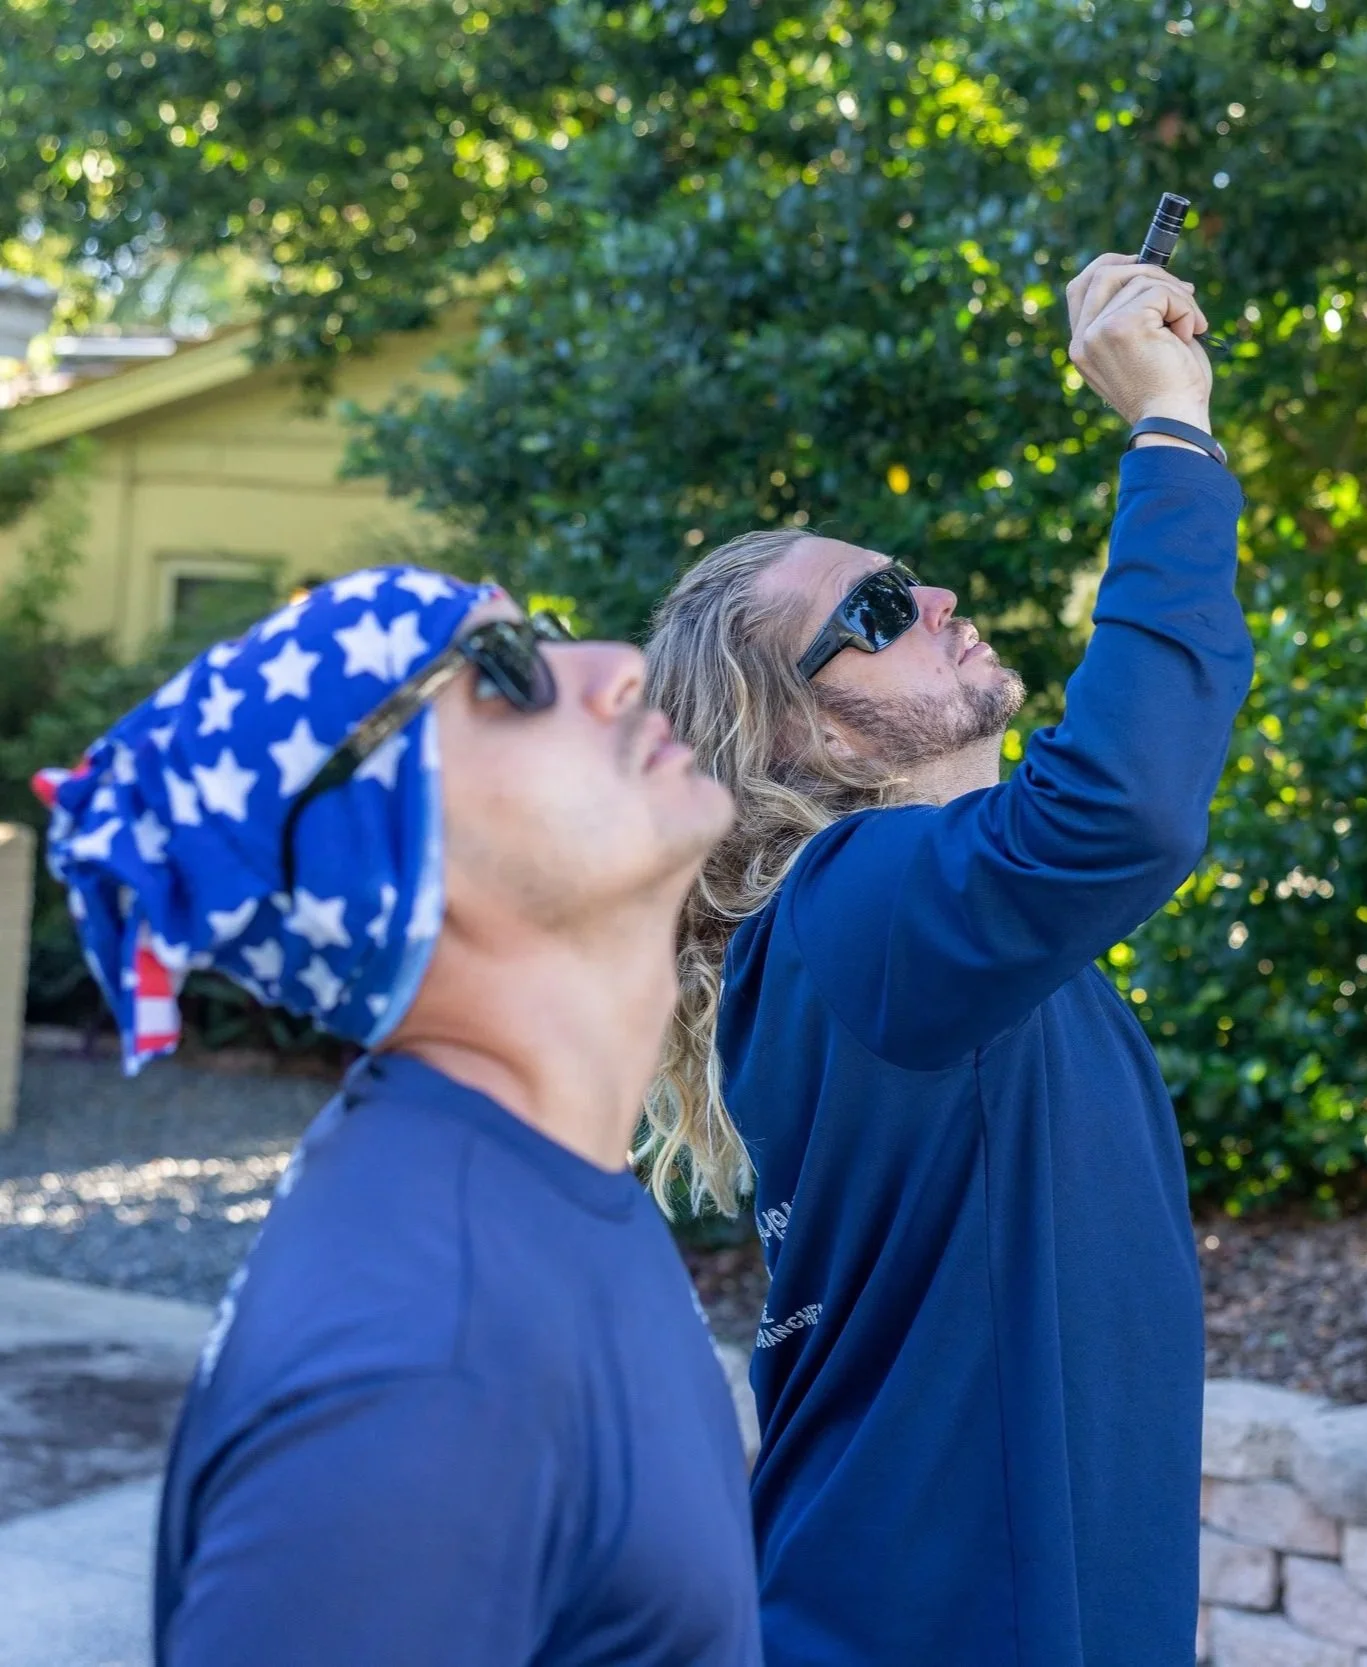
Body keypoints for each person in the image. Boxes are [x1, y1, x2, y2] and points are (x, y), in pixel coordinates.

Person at [639, 253, 1255, 1665]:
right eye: (871, 613)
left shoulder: (898, 941)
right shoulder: (849, 903)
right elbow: (1124, 805)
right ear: (798, 737)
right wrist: (1167, 428)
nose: (933, 597)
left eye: (902, 579)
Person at [33, 568, 763, 1667]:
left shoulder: (540, 1190)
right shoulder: (419, 1370)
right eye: (502, 675)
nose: (620, 668)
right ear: (373, 847)